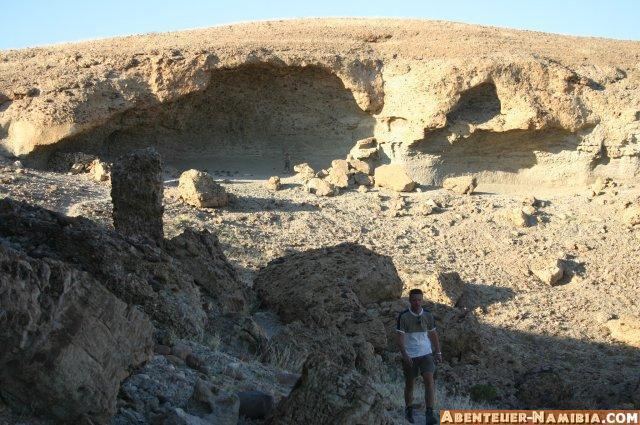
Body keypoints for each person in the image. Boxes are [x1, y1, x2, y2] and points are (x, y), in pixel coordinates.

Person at [396, 288, 442, 424]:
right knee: (410, 384)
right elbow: (399, 338)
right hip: (410, 356)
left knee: (429, 380)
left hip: (426, 354)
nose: (417, 303)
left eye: (419, 300)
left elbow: (433, 334)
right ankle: (409, 410)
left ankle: (429, 413)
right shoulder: (403, 316)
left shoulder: (428, 315)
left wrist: (438, 352)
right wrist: (404, 355)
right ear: (410, 300)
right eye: (414, 300)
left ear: (422, 300)